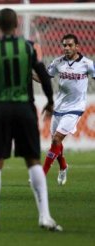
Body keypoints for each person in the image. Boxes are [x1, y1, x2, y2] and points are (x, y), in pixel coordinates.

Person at [0, 8, 62, 232]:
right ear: (17, 25)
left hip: (0, 109)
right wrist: (50, 101)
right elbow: (42, 74)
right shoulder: (31, 47)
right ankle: (45, 217)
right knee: (33, 161)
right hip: (25, 109)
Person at [41, 34, 95, 185]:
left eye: (70, 45)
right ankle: (63, 166)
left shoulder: (87, 64)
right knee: (56, 142)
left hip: (75, 108)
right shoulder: (58, 62)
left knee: (56, 139)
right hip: (59, 107)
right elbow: (44, 77)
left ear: (77, 47)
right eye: (64, 45)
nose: (67, 48)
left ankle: (41, 175)